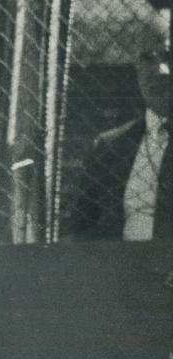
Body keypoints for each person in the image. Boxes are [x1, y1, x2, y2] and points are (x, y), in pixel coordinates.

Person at [66, 12, 171, 240]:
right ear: (135, 65)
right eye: (147, 58)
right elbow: (81, 231)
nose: (159, 70)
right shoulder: (109, 147)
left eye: (169, 57)